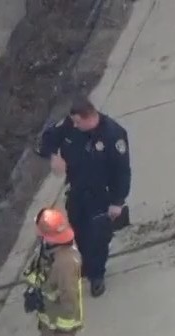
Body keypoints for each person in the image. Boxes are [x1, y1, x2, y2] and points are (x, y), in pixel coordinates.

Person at [35, 95, 131, 297]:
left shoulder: (113, 135)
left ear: (89, 117)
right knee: (79, 233)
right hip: (77, 190)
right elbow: (47, 138)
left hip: (101, 195)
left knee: (98, 237)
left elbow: (122, 171)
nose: (75, 126)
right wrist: (53, 156)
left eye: (78, 122)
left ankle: (97, 275)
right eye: (74, 122)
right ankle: (86, 266)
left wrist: (117, 202)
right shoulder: (70, 125)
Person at [22, 208, 84, 336]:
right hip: (50, 314)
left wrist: (65, 326)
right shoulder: (49, 251)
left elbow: (69, 296)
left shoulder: (65, 262)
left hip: (61, 319)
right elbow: (38, 272)